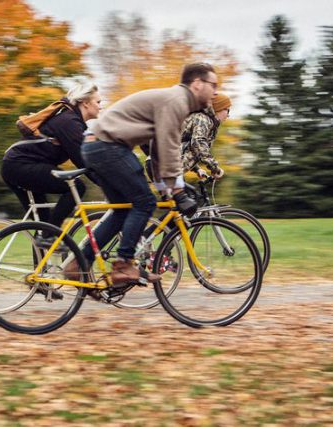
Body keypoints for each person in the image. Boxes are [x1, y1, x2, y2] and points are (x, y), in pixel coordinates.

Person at [66, 62, 219, 286]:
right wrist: (176, 191)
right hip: (108, 146)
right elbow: (168, 146)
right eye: (213, 85)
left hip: (95, 145)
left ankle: (78, 263)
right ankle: (124, 264)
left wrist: (165, 188)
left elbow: (156, 148)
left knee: (122, 210)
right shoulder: (177, 101)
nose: (216, 91)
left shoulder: (174, 100)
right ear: (197, 84)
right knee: (145, 202)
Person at [1, 81, 102, 245]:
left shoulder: (70, 119)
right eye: (98, 102)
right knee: (76, 186)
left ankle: (40, 267)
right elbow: (83, 160)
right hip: (20, 165)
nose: (100, 107)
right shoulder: (69, 122)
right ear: (85, 103)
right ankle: (48, 236)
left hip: (15, 165)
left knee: (44, 224)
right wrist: (107, 182)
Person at [181, 92, 231, 180]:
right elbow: (198, 143)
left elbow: (186, 146)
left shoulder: (205, 120)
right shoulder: (202, 119)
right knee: (181, 193)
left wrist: (197, 169)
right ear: (219, 108)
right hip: (167, 165)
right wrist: (214, 167)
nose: (228, 115)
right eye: (227, 110)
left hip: (166, 164)